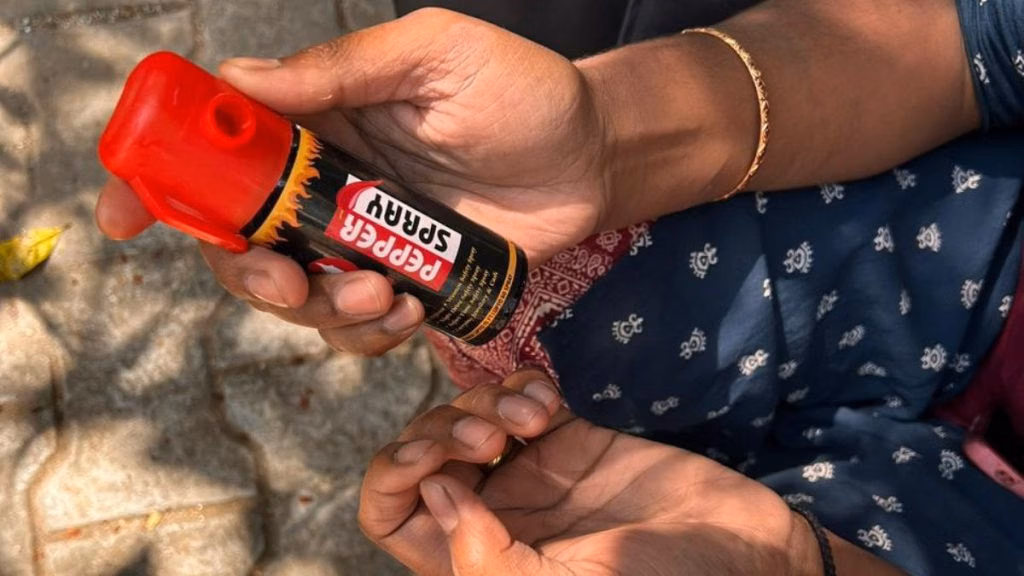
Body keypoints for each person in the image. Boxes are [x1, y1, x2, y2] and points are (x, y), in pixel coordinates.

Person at [95, 0, 1024, 574]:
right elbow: (983, 38)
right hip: (961, 242)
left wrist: (785, 564)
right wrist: (610, 137)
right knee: (591, 292)